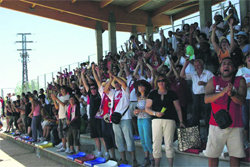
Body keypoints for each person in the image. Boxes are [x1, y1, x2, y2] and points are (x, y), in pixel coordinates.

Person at [204, 57, 247, 167]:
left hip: (235, 125)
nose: (226, 65)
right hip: (216, 124)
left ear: (234, 68)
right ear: (220, 68)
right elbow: (206, 99)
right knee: (213, 156)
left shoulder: (240, 80)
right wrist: (222, 93)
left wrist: (232, 94)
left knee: (235, 157)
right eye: (224, 64)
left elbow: (241, 101)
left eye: (229, 64)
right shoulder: (213, 80)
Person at [145, 74, 185, 167]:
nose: (161, 82)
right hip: (156, 120)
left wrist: (181, 121)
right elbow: (147, 108)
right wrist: (155, 113)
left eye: (162, 80)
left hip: (170, 120)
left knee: (169, 143)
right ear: (156, 82)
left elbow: (178, 109)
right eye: (159, 81)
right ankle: (157, 165)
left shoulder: (172, 93)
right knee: (156, 143)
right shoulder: (153, 93)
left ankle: (170, 165)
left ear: (166, 82)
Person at [104, 73, 137, 166]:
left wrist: (115, 77)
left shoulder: (125, 91)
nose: (117, 84)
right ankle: (123, 159)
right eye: (115, 83)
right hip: (115, 119)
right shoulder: (114, 93)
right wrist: (110, 80)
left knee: (129, 139)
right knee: (118, 140)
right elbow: (106, 90)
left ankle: (134, 159)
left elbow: (124, 84)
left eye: (117, 82)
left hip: (125, 118)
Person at [134, 80, 153, 166]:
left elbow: (150, 109)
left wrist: (140, 110)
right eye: (139, 86)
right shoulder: (138, 97)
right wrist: (136, 111)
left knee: (147, 138)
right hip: (139, 119)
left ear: (145, 87)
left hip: (146, 118)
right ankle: (146, 158)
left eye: (142, 86)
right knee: (142, 139)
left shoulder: (149, 96)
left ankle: (153, 158)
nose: (140, 88)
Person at [236, 53, 250, 146]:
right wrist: (246, 85)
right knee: (244, 122)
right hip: (244, 98)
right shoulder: (242, 70)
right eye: (249, 57)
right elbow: (236, 84)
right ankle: (246, 143)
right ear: (245, 59)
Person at [51, 86, 70, 152]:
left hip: (65, 116)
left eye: (63, 89)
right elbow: (57, 107)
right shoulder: (60, 97)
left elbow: (63, 104)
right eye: (61, 89)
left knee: (66, 133)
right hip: (60, 116)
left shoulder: (67, 96)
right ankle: (64, 147)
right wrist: (54, 100)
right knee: (61, 133)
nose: (62, 90)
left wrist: (56, 98)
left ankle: (68, 147)